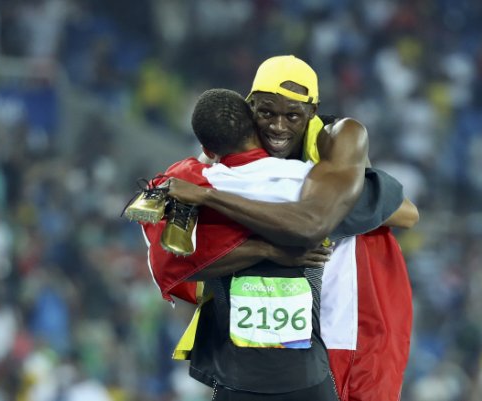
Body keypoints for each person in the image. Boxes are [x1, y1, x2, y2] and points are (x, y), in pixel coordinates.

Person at [164, 55, 417, 401]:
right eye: (267, 113)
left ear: (312, 111)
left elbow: (405, 214)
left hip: (351, 293)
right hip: (272, 326)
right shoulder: (231, 155)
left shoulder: (336, 139)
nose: (278, 127)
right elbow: (181, 262)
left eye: (292, 115)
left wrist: (338, 203)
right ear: (250, 107)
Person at [141, 88, 340, 400]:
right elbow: (398, 211)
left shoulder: (198, 188)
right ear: (255, 124)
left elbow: (170, 265)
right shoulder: (308, 180)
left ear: (207, 146)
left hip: (237, 379)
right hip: (308, 375)